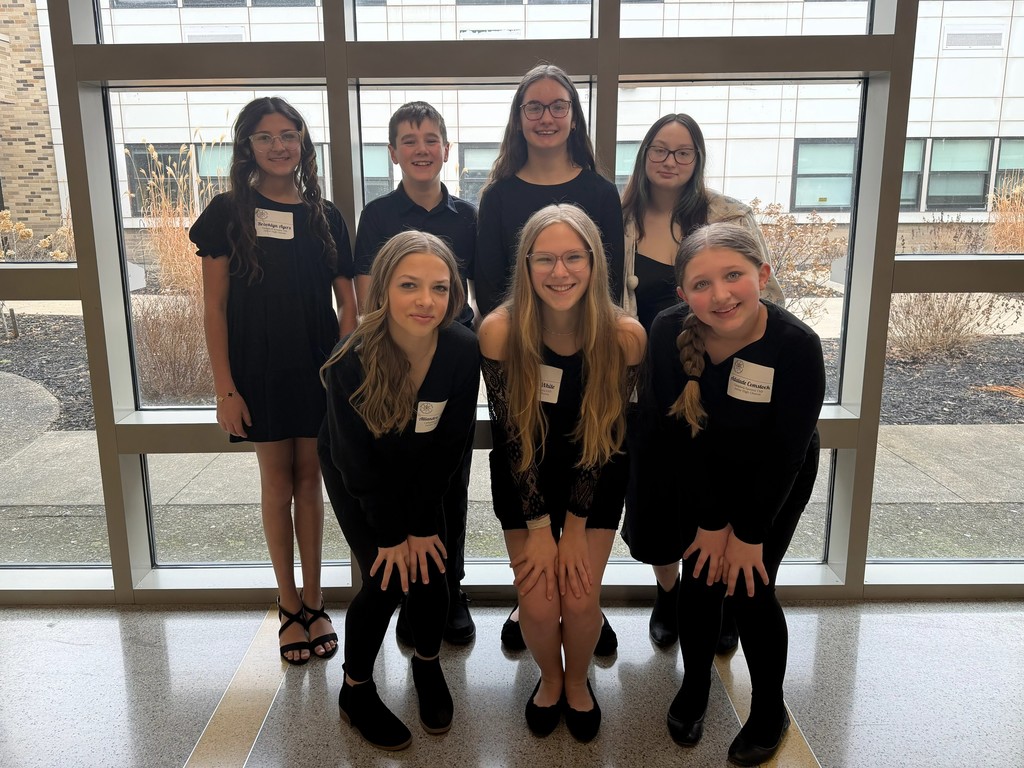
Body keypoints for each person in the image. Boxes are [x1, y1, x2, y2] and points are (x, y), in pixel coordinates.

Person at [630, 222, 823, 765]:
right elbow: (674, 438)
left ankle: (769, 708)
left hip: (772, 485)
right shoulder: (668, 333)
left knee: (752, 587)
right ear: (681, 293)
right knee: (700, 579)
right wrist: (712, 523)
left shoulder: (796, 346)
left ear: (762, 275)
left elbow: (787, 451)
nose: (721, 295)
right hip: (701, 476)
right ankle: (695, 687)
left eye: (734, 275)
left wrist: (747, 533)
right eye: (702, 283)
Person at [191, 96, 356, 665]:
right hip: (257, 371)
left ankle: (315, 600)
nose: (280, 145)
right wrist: (225, 389)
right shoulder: (226, 213)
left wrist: (342, 367)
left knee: (312, 483)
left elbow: (348, 304)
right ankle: (288, 606)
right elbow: (213, 309)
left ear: (304, 143)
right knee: (276, 485)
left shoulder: (324, 214)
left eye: (290, 134)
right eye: (266, 137)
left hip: (316, 370)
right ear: (248, 147)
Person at [480, 204, 646, 742]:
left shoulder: (624, 335)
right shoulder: (501, 331)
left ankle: (577, 682)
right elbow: (513, 440)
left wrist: (573, 529)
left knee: (577, 596)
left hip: (594, 475)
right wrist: (537, 528)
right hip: (524, 474)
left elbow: (605, 441)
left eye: (574, 257)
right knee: (536, 598)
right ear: (525, 265)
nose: (560, 272)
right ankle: (548, 679)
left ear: (596, 263)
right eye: (545, 259)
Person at [476, 62, 626, 654]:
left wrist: (576, 341)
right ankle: (534, 605)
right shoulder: (499, 194)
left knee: (588, 478)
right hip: (522, 355)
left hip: (589, 355)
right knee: (528, 465)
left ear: (573, 116)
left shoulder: (597, 190)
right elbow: (490, 284)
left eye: (556, 105)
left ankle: (584, 608)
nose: (545, 116)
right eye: (533, 107)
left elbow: (604, 282)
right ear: (519, 118)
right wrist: (530, 346)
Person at [619, 113, 784, 650]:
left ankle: (715, 596)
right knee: (661, 499)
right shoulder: (617, 217)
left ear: (697, 159)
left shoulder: (727, 215)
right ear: (644, 156)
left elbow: (768, 293)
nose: (670, 161)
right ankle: (670, 594)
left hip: (723, 390)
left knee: (718, 496)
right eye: (660, 150)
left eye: (683, 152)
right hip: (646, 390)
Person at [318, 231, 480, 751]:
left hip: (426, 472)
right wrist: (392, 534)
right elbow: (353, 460)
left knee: (432, 565)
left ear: (454, 292)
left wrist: (420, 526)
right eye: (410, 285)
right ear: (384, 288)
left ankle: (427, 666)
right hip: (358, 477)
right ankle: (355, 690)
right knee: (386, 578)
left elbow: (450, 447)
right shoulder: (353, 357)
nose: (425, 300)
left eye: (438, 287)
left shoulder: (461, 349)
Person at [353, 100, 478, 645]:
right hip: (393, 356)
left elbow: (478, 292)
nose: (422, 148)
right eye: (410, 140)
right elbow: (365, 296)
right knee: (399, 465)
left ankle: (450, 587)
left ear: (446, 150)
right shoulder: (377, 216)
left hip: (449, 355)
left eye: (431, 139)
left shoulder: (467, 217)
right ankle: (410, 590)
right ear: (394, 152)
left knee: (450, 474)